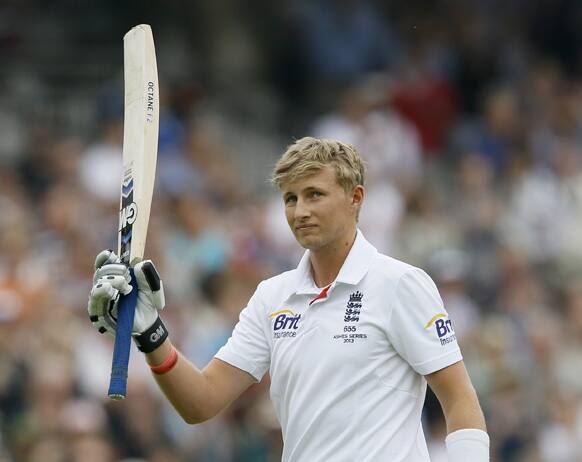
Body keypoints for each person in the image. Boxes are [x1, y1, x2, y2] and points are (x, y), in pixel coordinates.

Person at [88, 137, 489, 461]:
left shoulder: (399, 283)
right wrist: (151, 334)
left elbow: (459, 399)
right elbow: (202, 402)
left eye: (315, 194)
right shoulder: (272, 296)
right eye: (291, 198)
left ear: (356, 197)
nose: (300, 211)